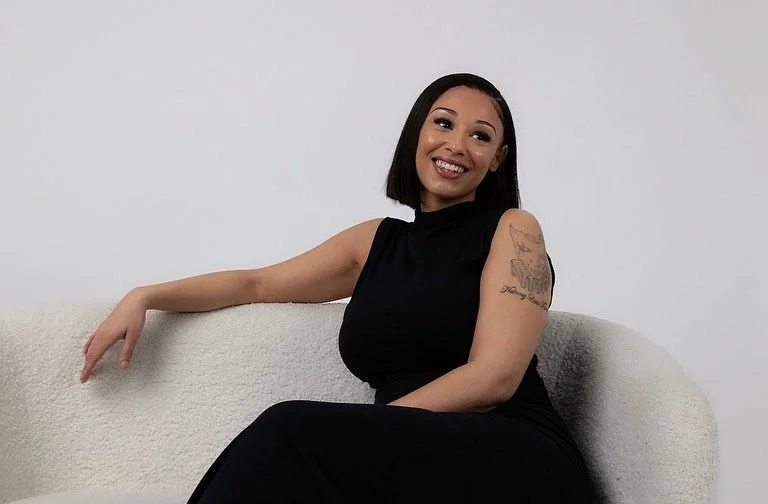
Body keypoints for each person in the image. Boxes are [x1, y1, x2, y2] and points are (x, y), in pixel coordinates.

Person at [81, 72, 595, 503]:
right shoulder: (375, 243)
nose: (456, 145)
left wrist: (371, 429)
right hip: (405, 458)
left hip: (513, 452)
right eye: (443, 123)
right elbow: (257, 283)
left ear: (497, 159)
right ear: (417, 132)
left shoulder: (513, 230)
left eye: (480, 136)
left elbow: (494, 379)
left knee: (289, 430)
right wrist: (144, 295)